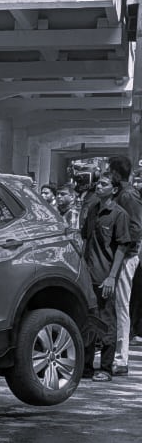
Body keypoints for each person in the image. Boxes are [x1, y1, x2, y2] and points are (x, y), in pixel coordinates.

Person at [81, 172, 132, 382]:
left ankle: (105, 367)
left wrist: (112, 277)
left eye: (104, 184)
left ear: (114, 189)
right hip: (88, 275)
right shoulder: (92, 210)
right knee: (89, 321)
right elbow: (84, 239)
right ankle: (85, 366)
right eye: (98, 183)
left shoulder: (119, 215)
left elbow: (122, 247)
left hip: (105, 276)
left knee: (106, 321)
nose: (98, 187)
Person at [106, 155, 142, 376]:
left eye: (109, 171)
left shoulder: (128, 195)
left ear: (117, 173)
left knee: (121, 305)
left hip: (125, 256)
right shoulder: (120, 193)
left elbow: (136, 227)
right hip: (117, 256)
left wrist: (123, 249)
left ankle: (121, 358)